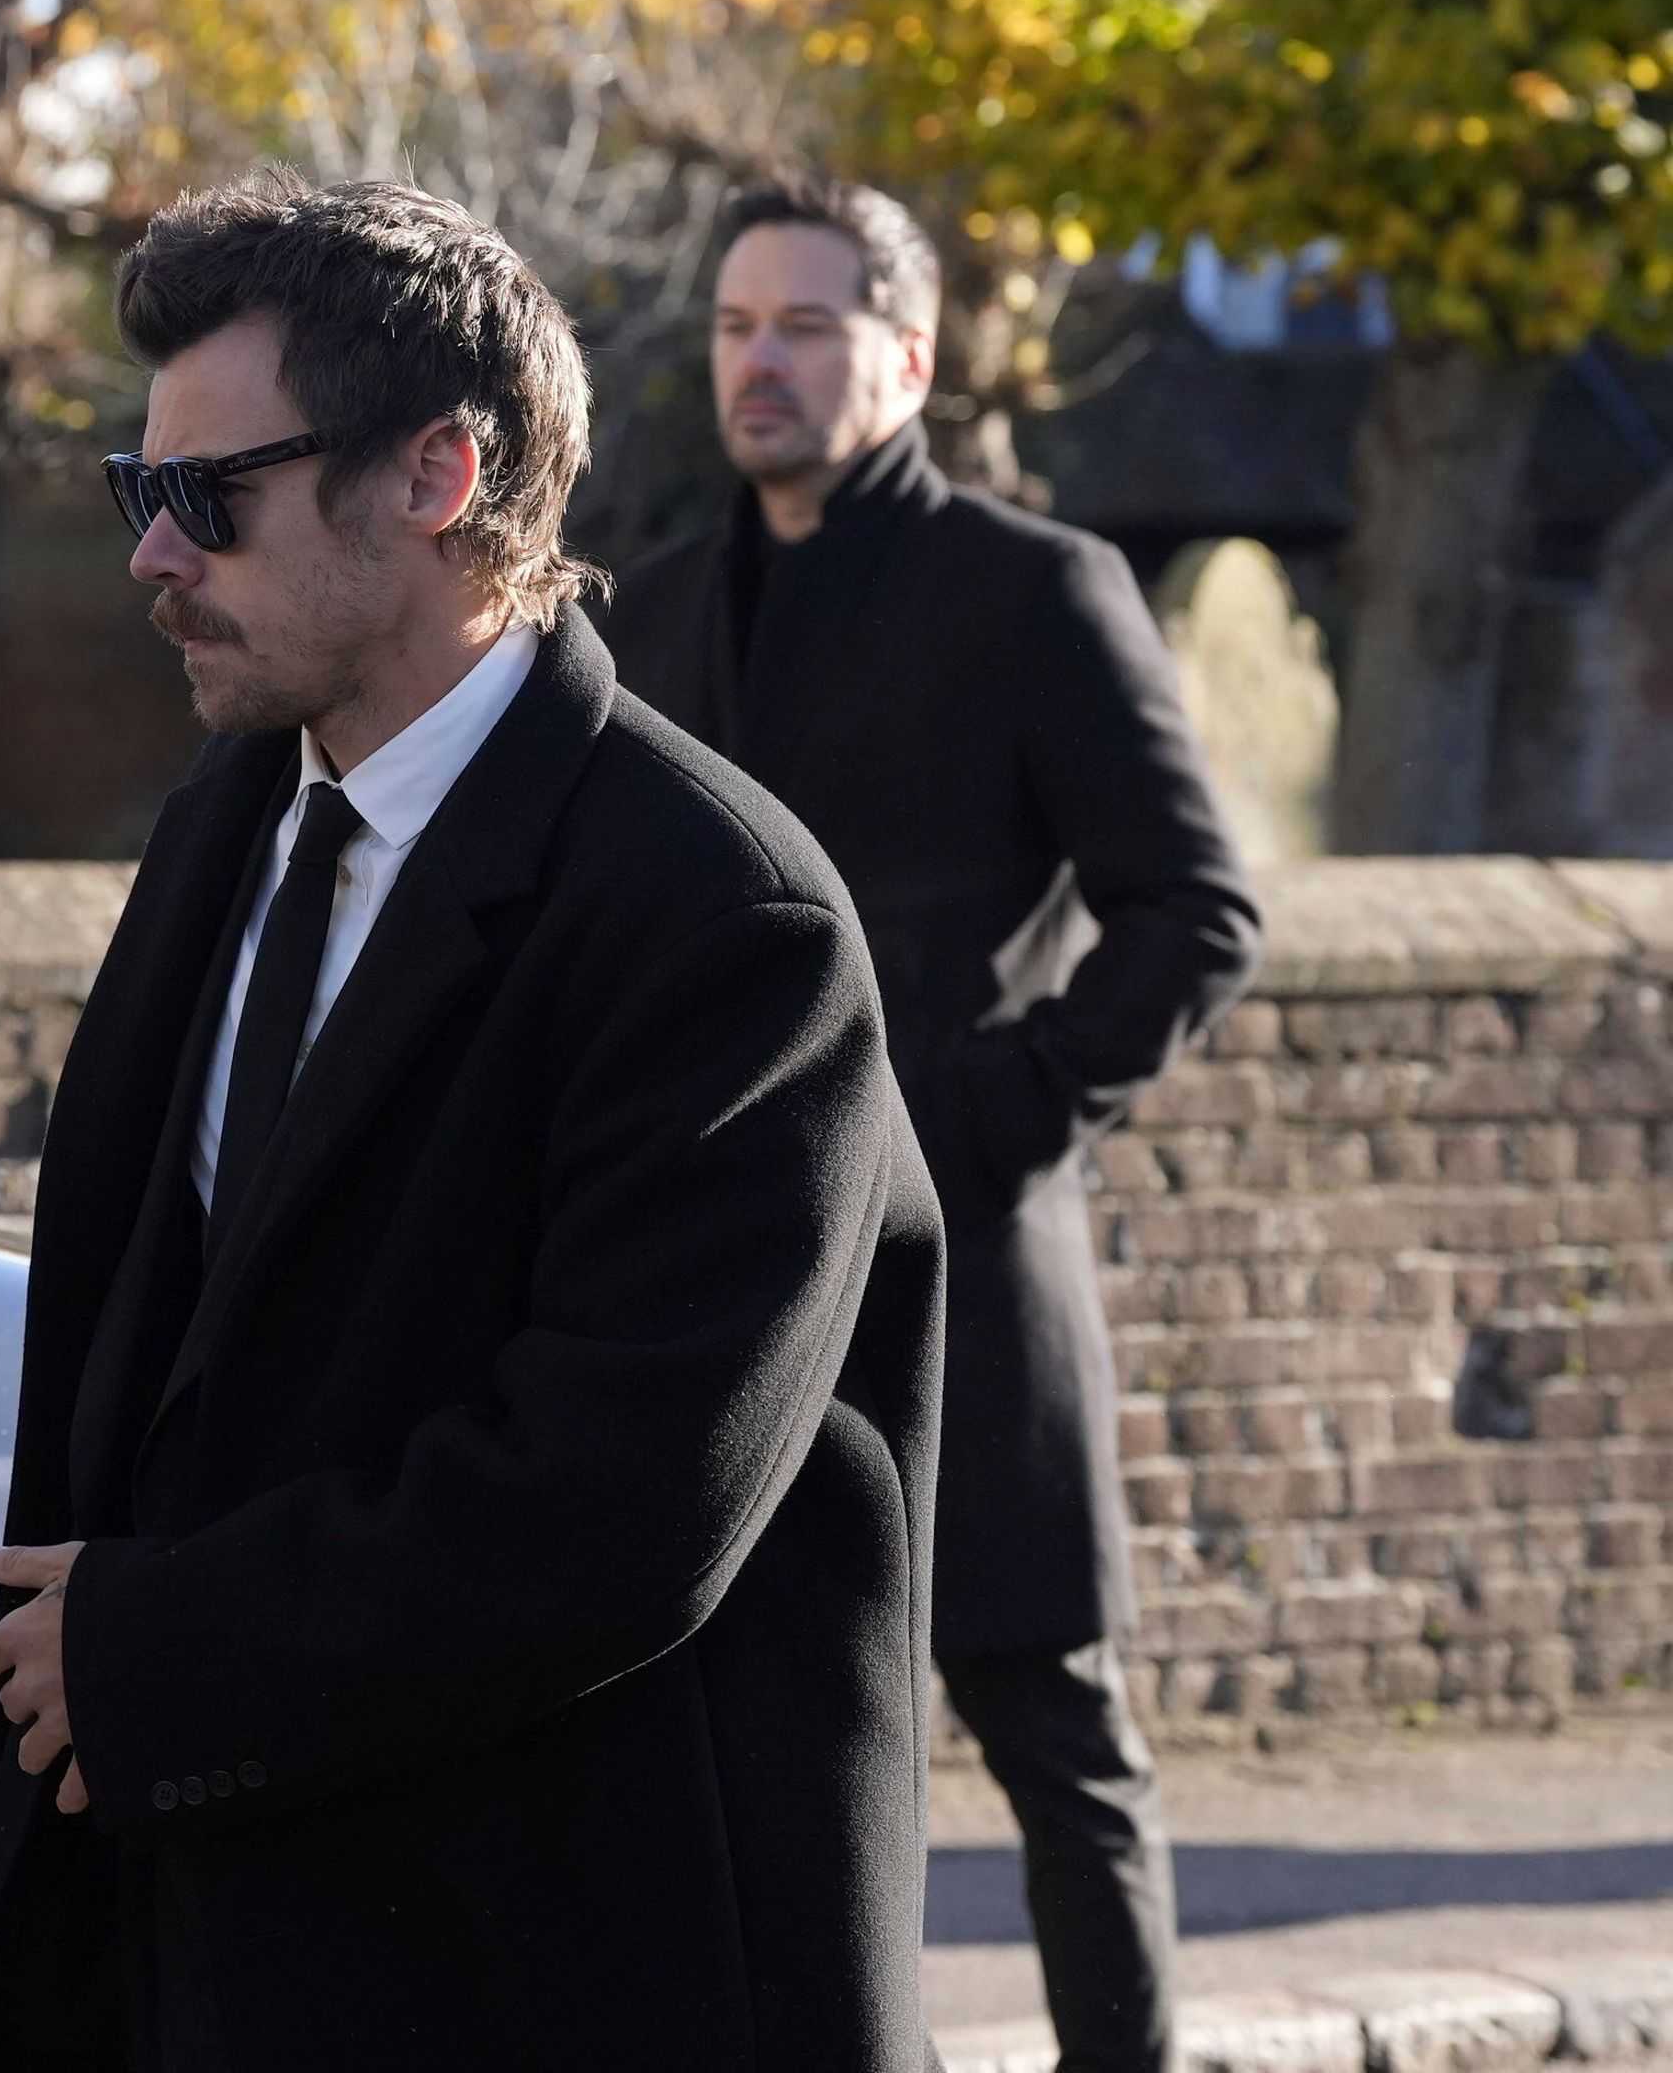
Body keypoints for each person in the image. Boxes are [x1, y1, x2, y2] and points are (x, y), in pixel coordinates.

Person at [0, 172, 945, 2072]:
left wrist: (166, 1652)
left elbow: (633, 1492)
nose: (154, 558)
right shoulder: (228, 822)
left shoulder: (719, 913)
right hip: (216, 1929)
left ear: (437, 477)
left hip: (560, 1966)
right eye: (137, 493)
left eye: (207, 499)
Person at [602, 177, 1262, 2073]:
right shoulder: (648, 609)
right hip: (737, 1281)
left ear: (908, 354)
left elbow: (1197, 911)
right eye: (737, 327)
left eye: (807, 326)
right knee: (769, 1764)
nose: (763, 362)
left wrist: (998, 1108)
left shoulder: (1036, 591)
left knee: (1060, 1741)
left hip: (970, 1258)